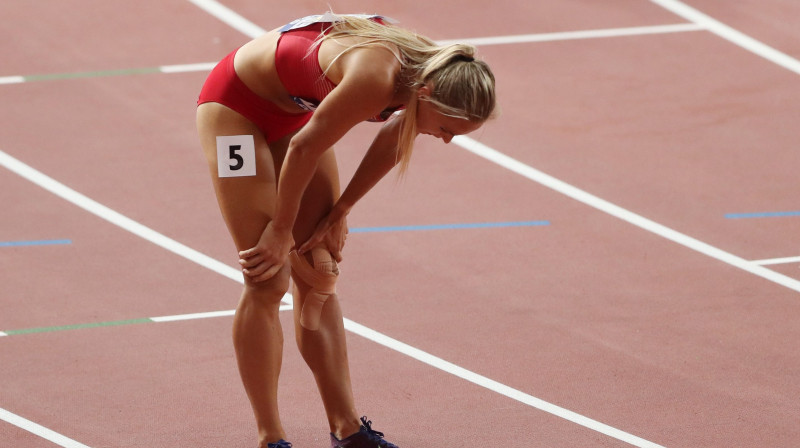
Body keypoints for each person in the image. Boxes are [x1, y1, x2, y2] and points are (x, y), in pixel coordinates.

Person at [196, 12, 496, 448]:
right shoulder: (378, 75)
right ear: (427, 95)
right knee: (268, 276)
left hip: (294, 114)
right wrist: (280, 229)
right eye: (448, 130)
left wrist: (339, 214)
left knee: (319, 272)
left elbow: (395, 136)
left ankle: (348, 429)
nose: (447, 140)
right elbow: (303, 148)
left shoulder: (433, 73)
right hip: (236, 111)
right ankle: (270, 438)